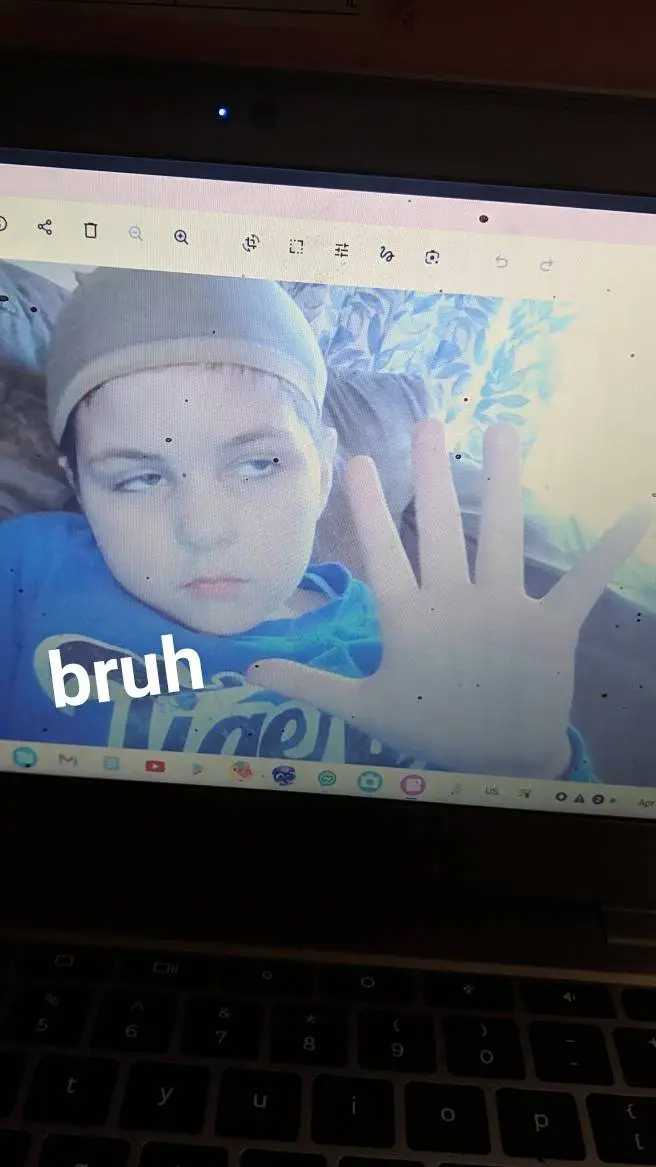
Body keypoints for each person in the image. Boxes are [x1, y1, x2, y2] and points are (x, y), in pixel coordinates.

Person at [0, 269, 650, 778]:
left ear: (320, 471)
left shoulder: (429, 645)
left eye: (257, 464)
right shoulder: (27, 571)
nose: (204, 531)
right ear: (77, 484)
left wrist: (527, 770)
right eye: (139, 478)